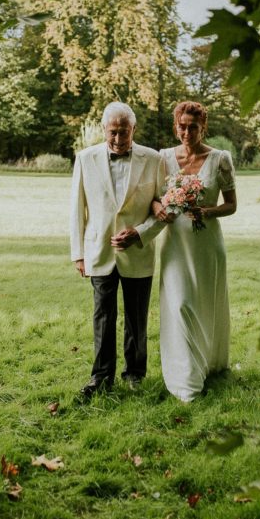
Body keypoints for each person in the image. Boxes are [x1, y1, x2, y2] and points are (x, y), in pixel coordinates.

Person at [70, 102, 166, 399]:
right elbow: (77, 209)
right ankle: (101, 377)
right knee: (103, 317)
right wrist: (78, 253)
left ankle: (135, 373)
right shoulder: (85, 159)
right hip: (99, 250)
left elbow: (164, 208)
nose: (118, 138)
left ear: (133, 130)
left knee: (137, 318)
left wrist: (139, 233)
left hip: (138, 251)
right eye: (113, 132)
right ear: (103, 129)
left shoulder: (153, 159)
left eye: (124, 132)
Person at [152, 101, 237, 402]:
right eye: (182, 126)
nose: (187, 132)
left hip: (207, 245)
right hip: (175, 245)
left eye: (193, 127)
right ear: (175, 126)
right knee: (180, 304)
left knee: (204, 303)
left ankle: (210, 363)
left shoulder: (220, 159)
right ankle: (185, 379)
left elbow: (231, 205)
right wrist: (160, 206)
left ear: (204, 128)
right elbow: (152, 198)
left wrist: (207, 212)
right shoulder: (162, 158)